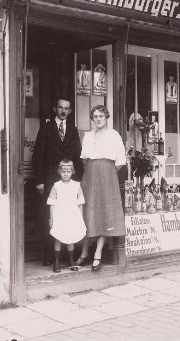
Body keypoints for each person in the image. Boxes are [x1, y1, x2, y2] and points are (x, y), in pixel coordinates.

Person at [75, 105, 126, 271]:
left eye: (101, 116)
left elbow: (120, 161)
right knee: (89, 211)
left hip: (107, 175)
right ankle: (84, 251)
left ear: (106, 118)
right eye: (95, 116)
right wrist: (94, 170)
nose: (98, 119)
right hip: (90, 175)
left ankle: (97, 252)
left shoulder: (114, 135)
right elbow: (84, 159)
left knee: (105, 212)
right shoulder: (88, 136)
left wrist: (106, 172)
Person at [32, 98, 83, 266]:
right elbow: (38, 155)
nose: (63, 111)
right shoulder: (46, 129)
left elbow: (77, 155)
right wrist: (39, 181)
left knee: (69, 216)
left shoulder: (73, 130)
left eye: (66, 108)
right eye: (60, 107)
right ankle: (49, 256)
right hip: (50, 180)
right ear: (55, 109)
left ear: (69, 111)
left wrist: (79, 181)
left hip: (69, 180)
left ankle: (68, 256)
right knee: (50, 216)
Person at [47, 159, 86, 273]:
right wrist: (52, 219)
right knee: (58, 238)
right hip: (60, 215)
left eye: (68, 171)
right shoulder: (56, 186)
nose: (65, 174)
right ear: (59, 172)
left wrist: (81, 218)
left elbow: (80, 203)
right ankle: (57, 262)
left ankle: (71, 260)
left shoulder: (76, 185)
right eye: (63, 171)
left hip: (72, 215)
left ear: (72, 172)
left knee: (71, 238)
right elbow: (52, 204)